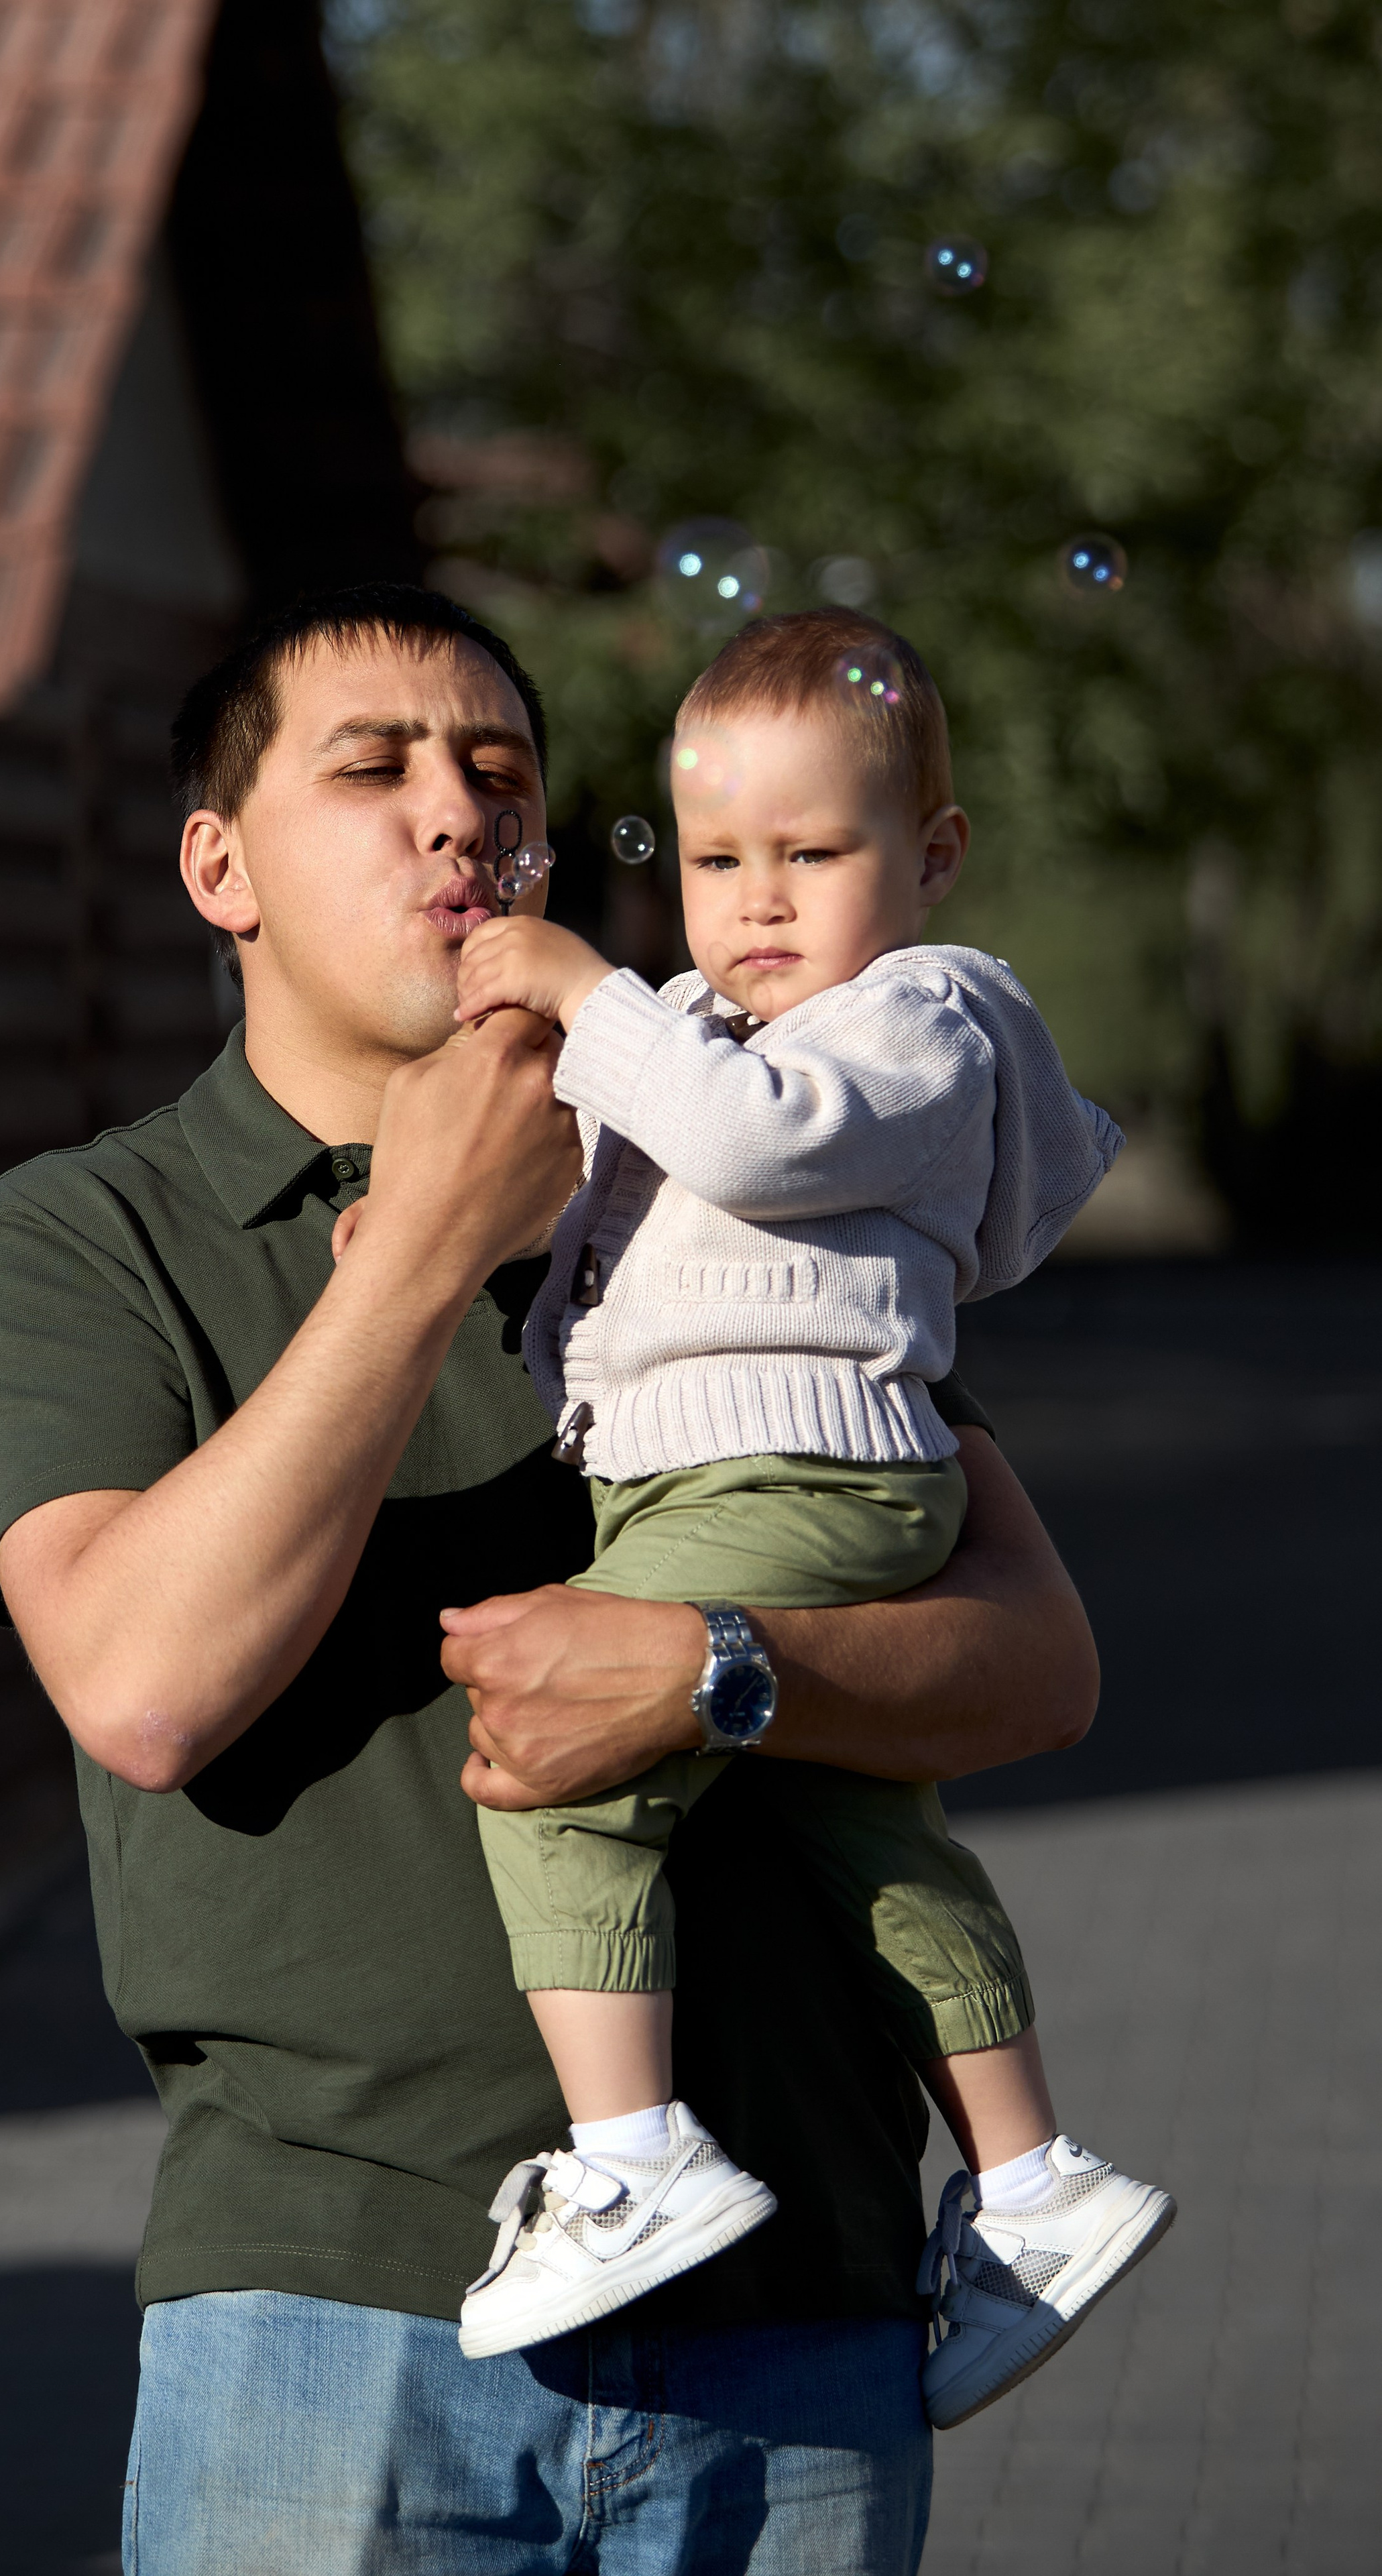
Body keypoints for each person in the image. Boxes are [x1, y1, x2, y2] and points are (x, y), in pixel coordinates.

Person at [0, 583, 1100, 2576]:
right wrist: (423, 1248)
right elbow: (142, 1685)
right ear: (219, 866)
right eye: (374, 768)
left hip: (799, 2317)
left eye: (499, 770)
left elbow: (1036, 1660)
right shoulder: (86, 1233)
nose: (458, 813)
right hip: (338, 2317)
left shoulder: (723, 1150)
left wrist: (718, 1668)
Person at [431, 609, 1175, 2422]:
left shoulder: (921, 1015)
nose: (757, 902)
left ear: (931, 857)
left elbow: (754, 1145)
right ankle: (1031, 2182)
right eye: (715, 860)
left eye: (814, 853)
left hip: (790, 1469)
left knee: (557, 1776)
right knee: (875, 1846)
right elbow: (626, 1229)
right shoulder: (712, 1026)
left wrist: (583, 986)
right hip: (742, 1470)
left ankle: (632, 2156)